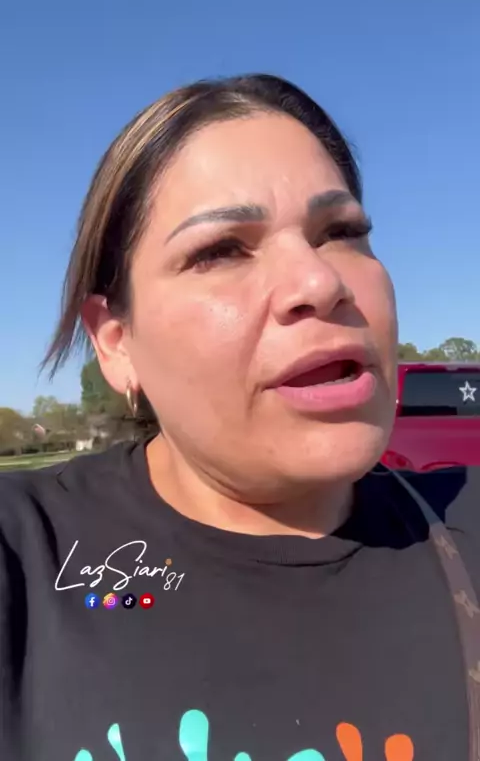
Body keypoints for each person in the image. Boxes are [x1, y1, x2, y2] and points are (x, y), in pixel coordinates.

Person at [0, 74, 478, 761]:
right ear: (116, 342)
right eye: (221, 249)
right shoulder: (26, 551)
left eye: (341, 232)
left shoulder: (463, 526)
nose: (320, 282)